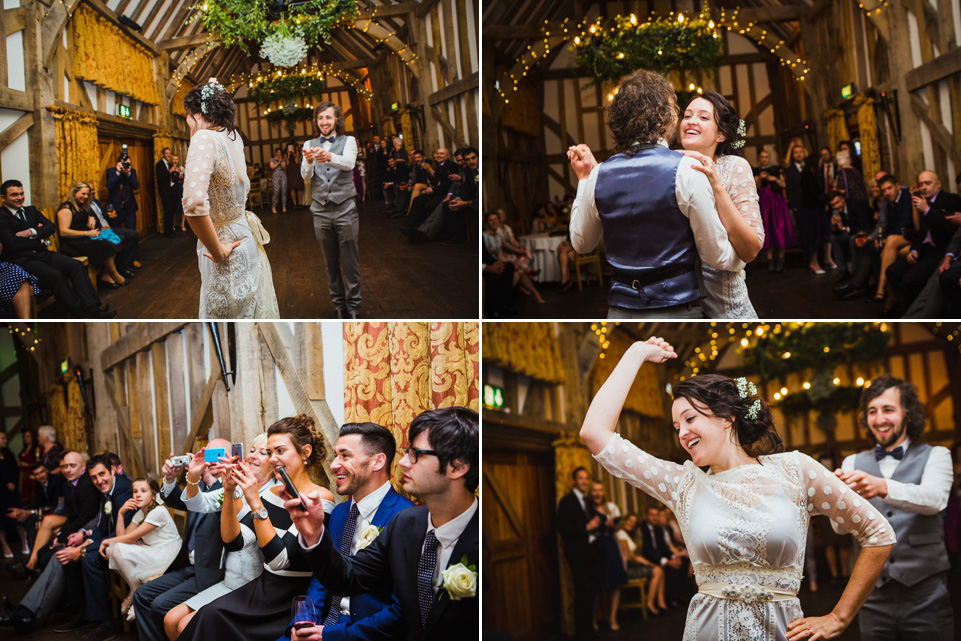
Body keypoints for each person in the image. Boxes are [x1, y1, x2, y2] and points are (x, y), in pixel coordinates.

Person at [580, 336, 895, 641]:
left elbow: (878, 534)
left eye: (690, 419)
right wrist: (635, 352)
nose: (682, 433)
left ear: (727, 417)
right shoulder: (682, 484)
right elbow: (594, 432)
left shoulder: (796, 470)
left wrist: (839, 618)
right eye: (677, 427)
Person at [284, 407, 478, 641]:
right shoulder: (407, 524)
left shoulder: (490, 541)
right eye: (407, 452)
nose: (404, 463)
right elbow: (348, 576)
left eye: (416, 454)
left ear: (457, 467)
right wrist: (314, 534)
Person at [567, 69, 743, 319]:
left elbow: (582, 243)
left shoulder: (598, 175)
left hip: (620, 312)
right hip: (677, 310)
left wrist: (584, 180)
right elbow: (716, 255)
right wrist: (742, 259)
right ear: (663, 115)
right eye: (675, 107)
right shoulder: (687, 170)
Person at [177, 416, 336, 641]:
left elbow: (280, 559)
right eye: (270, 453)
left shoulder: (319, 497)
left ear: (305, 452)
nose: (273, 459)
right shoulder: (270, 495)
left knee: (212, 619)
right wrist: (230, 493)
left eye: (280, 451)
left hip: (288, 597)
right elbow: (234, 541)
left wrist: (254, 501)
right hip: (262, 588)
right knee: (207, 615)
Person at [830, 376, 955, 640]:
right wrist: (838, 502)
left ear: (907, 414)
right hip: (870, 594)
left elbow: (935, 500)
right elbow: (840, 529)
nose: (879, 419)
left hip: (926, 592)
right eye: (872, 412)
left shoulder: (937, 455)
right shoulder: (852, 462)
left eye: (888, 409)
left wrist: (882, 486)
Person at [278, 422, 414, 641]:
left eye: (345, 456)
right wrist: (302, 623)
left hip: (364, 633)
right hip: (321, 626)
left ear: (377, 461)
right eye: (335, 455)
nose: (333, 465)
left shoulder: (406, 517)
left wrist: (329, 635)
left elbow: (400, 613)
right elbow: (321, 579)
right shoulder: (341, 512)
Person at [181, 78, 279, 318]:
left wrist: (216, 251)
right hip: (244, 236)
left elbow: (193, 202)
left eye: (186, 115)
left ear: (197, 115)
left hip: (224, 242)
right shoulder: (233, 138)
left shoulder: (204, 138)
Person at [162, 434, 276, 638]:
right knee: (170, 620)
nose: (253, 456)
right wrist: (194, 476)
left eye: (263, 452)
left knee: (184, 625)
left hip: (252, 583)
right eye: (251, 450)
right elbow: (197, 503)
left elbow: (237, 541)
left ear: (274, 462)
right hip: (230, 577)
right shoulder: (235, 487)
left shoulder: (273, 494)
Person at [677, 92, 763, 318]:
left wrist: (716, 185)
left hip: (726, 307)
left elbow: (750, 249)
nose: (691, 121)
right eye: (687, 115)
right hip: (678, 305)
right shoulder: (668, 165)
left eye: (704, 117)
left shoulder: (735, 167)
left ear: (722, 134)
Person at [132, 441, 229, 641]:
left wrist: (212, 481)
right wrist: (169, 479)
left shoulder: (232, 488)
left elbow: (225, 518)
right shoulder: (199, 483)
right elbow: (178, 501)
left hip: (211, 572)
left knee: (160, 605)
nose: (210, 460)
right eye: (207, 454)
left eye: (217, 455)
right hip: (187, 564)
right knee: (141, 595)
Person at [0, 180, 112, 318]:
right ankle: (80, 314)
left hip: (43, 253)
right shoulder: (2, 216)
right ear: (3, 198)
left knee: (76, 266)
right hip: (22, 260)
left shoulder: (31, 210)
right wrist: (39, 237)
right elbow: (12, 243)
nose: (20, 198)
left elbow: (51, 227)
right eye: (14, 195)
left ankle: (93, 310)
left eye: (22, 194)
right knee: (56, 276)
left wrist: (31, 232)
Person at [301, 102, 361, 319]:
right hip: (320, 210)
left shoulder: (349, 141)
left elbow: (349, 163)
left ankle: (353, 306)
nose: (324, 122)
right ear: (316, 121)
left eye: (328, 117)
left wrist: (330, 157)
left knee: (350, 260)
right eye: (320, 118)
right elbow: (306, 176)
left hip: (345, 208)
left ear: (336, 119)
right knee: (329, 261)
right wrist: (308, 162)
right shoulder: (309, 143)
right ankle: (338, 305)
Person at [100, 477, 182, 621]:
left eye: (143, 491)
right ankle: (136, 589)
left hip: (168, 555)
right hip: (153, 551)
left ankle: (136, 592)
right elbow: (122, 536)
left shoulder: (158, 512)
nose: (137, 495)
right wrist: (121, 513)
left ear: (153, 495)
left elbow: (128, 539)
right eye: (135, 491)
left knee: (114, 547)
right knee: (112, 549)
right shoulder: (140, 514)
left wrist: (105, 540)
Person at [557, 466, 601, 640]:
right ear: (573, 481)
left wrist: (598, 523)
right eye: (581, 478)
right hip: (577, 555)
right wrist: (586, 527)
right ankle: (580, 633)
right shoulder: (566, 501)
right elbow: (563, 527)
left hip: (592, 554)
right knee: (582, 592)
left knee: (591, 592)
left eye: (586, 479)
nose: (584, 482)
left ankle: (589, 629)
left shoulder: (588, 501)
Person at [56, 182, 128, 289]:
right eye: (83, 194)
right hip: (72, 244)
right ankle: (114, 274)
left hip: (83, 239)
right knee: (107, 246)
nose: (86, 197)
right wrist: (87, 233)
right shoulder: (66, 209)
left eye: (87, 194)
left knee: (113, 241)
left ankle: (106, 274)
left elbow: (81, 216)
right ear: (75, 192)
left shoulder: (80, 205)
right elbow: (64, 232)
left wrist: (90, 217)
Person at [786, 144, 831, 274]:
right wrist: (794, 207)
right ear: (793, 155)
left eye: (801, 152)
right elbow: (790, 190)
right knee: (806, 235)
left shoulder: (811, 169)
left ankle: (820, 261)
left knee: (815, 234)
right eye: (796, 152)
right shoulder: (790, 171)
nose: (799, 154)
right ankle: (809, 262)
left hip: (812, 206)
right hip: (801, 207)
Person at [588, 482, 627, 631]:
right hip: (595, 547)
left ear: (604, 492)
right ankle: (594, 619)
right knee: (596, 584)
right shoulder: (588, 509)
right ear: (591, 493)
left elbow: (617, 528)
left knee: (615, 583)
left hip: (610, 545)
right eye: (594, 490)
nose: (597, 493)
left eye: (600, 490)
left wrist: (613, 525)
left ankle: (612, 618)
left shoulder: (610, 507)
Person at [484, 212, 545, 304]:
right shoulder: (484, 236)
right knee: (516, 274)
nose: (493, 222)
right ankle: (503, 302)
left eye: (495, 219)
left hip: (499, 262)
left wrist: (512, 264)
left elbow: (500, 255)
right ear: (487, 222)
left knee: (519, 270)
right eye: (490, 220)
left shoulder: (497, 236)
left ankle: (535, 294)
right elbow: (487, 257)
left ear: (499, 220)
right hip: (491, 266)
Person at [6, 461, 65, 555]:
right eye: (37, 474)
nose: (40, 476)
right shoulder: (38, 483)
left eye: (42, 472)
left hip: (58, 513)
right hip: (46, 512)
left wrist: (31, 512)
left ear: (47, 470)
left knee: (30, 516)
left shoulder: (56, 481)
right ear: (33, 476)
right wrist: (23, 510)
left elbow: (55, 505)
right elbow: (38, 503)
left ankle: (37, 554)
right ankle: (34, 552)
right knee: (27, 519)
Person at [615, 514, 666, 615]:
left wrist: (649, 563)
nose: (631, 523)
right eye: (630, 520)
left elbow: (636, 555)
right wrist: (650, 564)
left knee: (660, 570)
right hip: (626, 569)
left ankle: (661, 603)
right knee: (657, 571)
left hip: (634, 565)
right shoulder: (621, 534)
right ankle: (650, 604)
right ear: (625, 520)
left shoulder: (631, 534)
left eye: (634, 522)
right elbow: (630, 557)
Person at [754, 147, 795, 272]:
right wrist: (760, 178)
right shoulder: (755, 170)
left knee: (779, 228)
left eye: (766, 157)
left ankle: (781, 261)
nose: (764, 159)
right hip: (764, 202)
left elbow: (784, 185)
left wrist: (775, 179)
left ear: (769, 158)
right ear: (759, 159)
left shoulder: (776, 169)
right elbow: (756, 187)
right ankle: (770, 262)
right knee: (767, 229)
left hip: (777, 202)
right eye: (762, 157)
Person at [88, 185, 139, 277]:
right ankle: (120, 268)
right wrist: (100, 228)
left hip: (108, 227)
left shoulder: (96, 202)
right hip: (99, 231)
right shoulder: (84, 206)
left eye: (93, 189)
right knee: (121, 238)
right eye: (90, 190)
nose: (93, 191)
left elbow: (103, 217)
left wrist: (111, 216)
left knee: (133, 234)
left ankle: (125, 263)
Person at [105, 151, 140, 231]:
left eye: (128, 164)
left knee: (132, 233)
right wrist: (117, 173)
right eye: (124, 163)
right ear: (118, 164)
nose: (126, 166)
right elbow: (109, 186)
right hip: (115, 209)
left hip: (129, 209)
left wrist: (128, 174)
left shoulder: (132, 172)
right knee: (115, 233)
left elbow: (136, 186)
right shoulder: (111, 171)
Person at [0, 430, 20, 559]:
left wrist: (13, 482)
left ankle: (25, 543)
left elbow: (15, 469)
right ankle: (4, 545)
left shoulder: (8, 453)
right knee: (1, 520)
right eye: (2, 438)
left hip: (12, 491)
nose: (5, 441)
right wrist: (4, 484)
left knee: (18, 515)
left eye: (5, 438)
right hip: (0, 492)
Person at [156, 147, 178, 237]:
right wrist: (170, 171)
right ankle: (167, 232)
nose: (168, 155)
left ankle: (171, 230)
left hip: (172, 190)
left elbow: (172, 177)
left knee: (172, 210)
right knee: (167, 210)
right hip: (165, 191)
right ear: (163, 155)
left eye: (169, 153)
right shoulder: (159, 165)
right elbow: (160, 177)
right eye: (166, 153)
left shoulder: (169, 164)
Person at [269, 148, 288, 214]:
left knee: (284, 190)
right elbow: (272, 167)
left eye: (280, 153)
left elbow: (285, 167)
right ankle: (273, 206)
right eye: (278, 153)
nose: (279, 154)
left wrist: (281, 161)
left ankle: (284, 206)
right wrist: (278, 162)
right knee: (276, 191)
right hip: (276, 174)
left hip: (282, 174)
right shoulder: (272, 159)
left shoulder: (282, 159)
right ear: (276, 153)